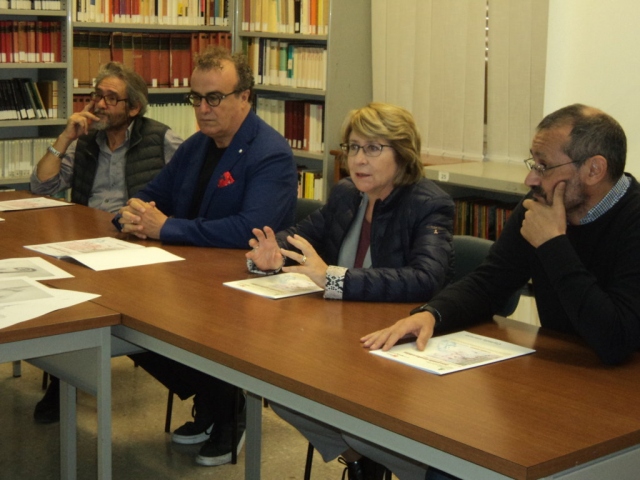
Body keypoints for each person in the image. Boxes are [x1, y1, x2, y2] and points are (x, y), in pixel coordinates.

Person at [358, 104, 640, 480]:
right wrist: (431, 314)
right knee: (452, 458)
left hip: (620, 410)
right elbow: (490, 283)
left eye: (543, 166)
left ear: (594, 170)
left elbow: (616, 338)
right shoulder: (539, 209)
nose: (530, 179)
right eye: (532, 163)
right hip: (558, 383)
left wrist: (554, 245)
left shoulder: (633, 222)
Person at [246, 102, 455, 480]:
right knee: (278, 387)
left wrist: (336, 279)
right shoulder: (347, 194)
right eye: (353, 147)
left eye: (373, 148)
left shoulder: (428, 203)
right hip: (340, 335)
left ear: (403, 153)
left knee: (358, 412)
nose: (359, 159)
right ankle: (358, 460)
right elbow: (299, 236)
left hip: (392, 343)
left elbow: (427, 278)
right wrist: (269, 255)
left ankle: (410, 469)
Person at [117, 45, 298, 467]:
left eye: (214, 97)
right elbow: (154, 193)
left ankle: (229, 411)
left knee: (163, 320)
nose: (203, 108)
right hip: (189, 272)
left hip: (243, 282)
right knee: (127, 317)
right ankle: (213, 400)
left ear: (245, 98)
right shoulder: (197, 146)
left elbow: (250, 230)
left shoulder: (269, 153)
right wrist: (132, 212)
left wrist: (167, 228)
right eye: (195, 98)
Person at [29, 61, 183, 425]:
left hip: (137, 245)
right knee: (57, 289)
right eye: (97, 95)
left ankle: (69, 376)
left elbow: (186, 189)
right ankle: (63, 376)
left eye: (111, 98)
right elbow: (41, 186)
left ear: (133, 108)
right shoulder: (85, 141)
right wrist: (66, 137)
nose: (99, 104)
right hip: (87, 241)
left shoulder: (162, 138)